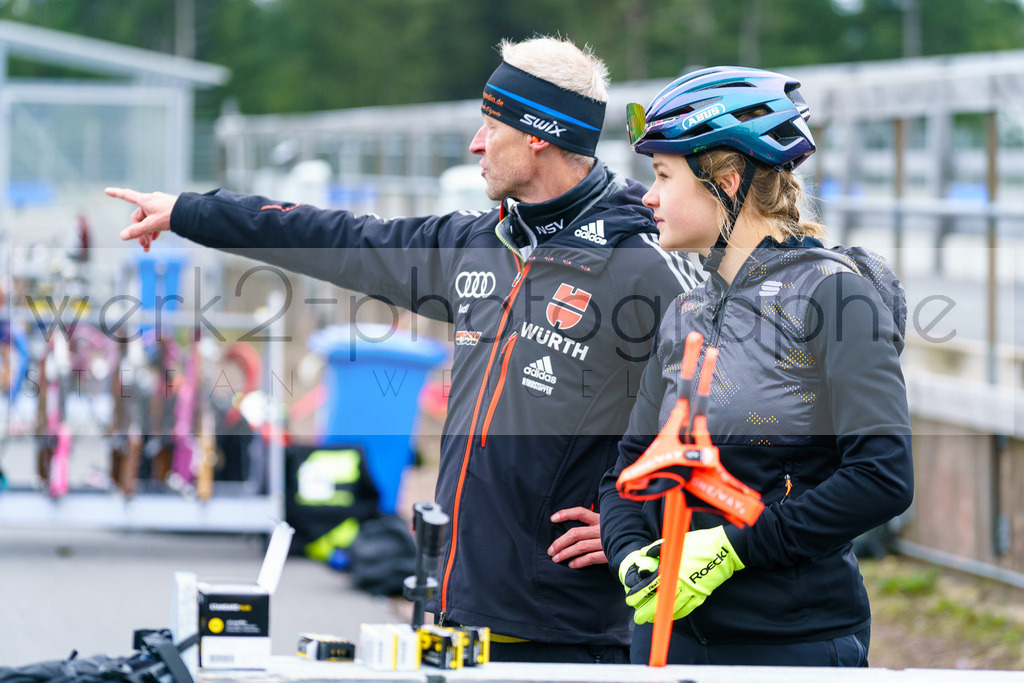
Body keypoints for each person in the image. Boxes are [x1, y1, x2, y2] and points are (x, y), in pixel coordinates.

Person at [106, 36, 702, 663]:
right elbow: (336, 238)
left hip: (569, 633)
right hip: (455, 609)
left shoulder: (645, 265)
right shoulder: (479, 244)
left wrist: (639, 530)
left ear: (538, 135)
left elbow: (734, 425)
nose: (475, 143)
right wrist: (190, 213)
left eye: (491, 124)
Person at [598, 66, 914, 666]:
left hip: (790, 643)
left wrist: (732, 550)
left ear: (726, 182)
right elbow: (627, 469)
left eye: (663, 175)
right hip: (665, 639)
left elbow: (883, 477)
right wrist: (629, 553)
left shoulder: (832, 295)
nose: (648, 197)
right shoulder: (686, 311)